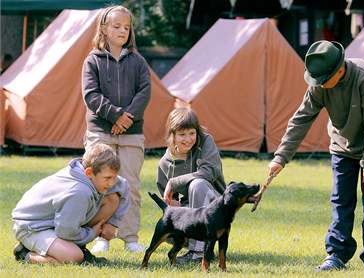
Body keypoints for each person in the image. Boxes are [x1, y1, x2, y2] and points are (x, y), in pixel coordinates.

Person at [268, 40, 364, 272]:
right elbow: (301, 119)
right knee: (340, 202)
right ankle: (336, 254)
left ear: (340, 70)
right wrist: (280, 157)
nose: (319, 85)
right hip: (341, 148)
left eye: (323, 81)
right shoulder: (319, 83)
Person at [81, 5, 151, 253]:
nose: (122, 30)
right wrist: (115, 116)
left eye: (127, 27)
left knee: (130, 184)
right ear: (103, 28)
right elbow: (91, 95)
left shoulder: (138, 61)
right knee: (103, 184)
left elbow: (145, 92)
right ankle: (102, 237)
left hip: (132, 132)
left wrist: (127, 118)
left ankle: (130, 238)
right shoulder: (92, 61)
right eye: (116, 26)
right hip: (101, 131)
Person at [11, 143, 130, 264]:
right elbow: (66, 232)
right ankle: (25, 253)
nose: (111, 183)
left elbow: (124, 186)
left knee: (113, 198)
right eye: (107, 178)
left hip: (58, 224)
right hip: (32, 228)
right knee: (73, 257)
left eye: (114, 177)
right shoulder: (78, 192)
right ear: (89, 173)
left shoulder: (94, 175)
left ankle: (71, 247)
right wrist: (92, 233)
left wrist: (112, 224)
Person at [156, 107, 226, 264]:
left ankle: (199, 252)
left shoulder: (206, 142)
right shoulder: (164, 163)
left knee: (198, 185)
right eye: (182, 134)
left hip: (216, 210)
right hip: (191, 217)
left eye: (192, 133)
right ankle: (194, 244)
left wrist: (174, 182)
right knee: (170, 227)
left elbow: (208, 172)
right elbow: (167, 201)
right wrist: (174, 205)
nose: (188, 139)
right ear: (172, 135)